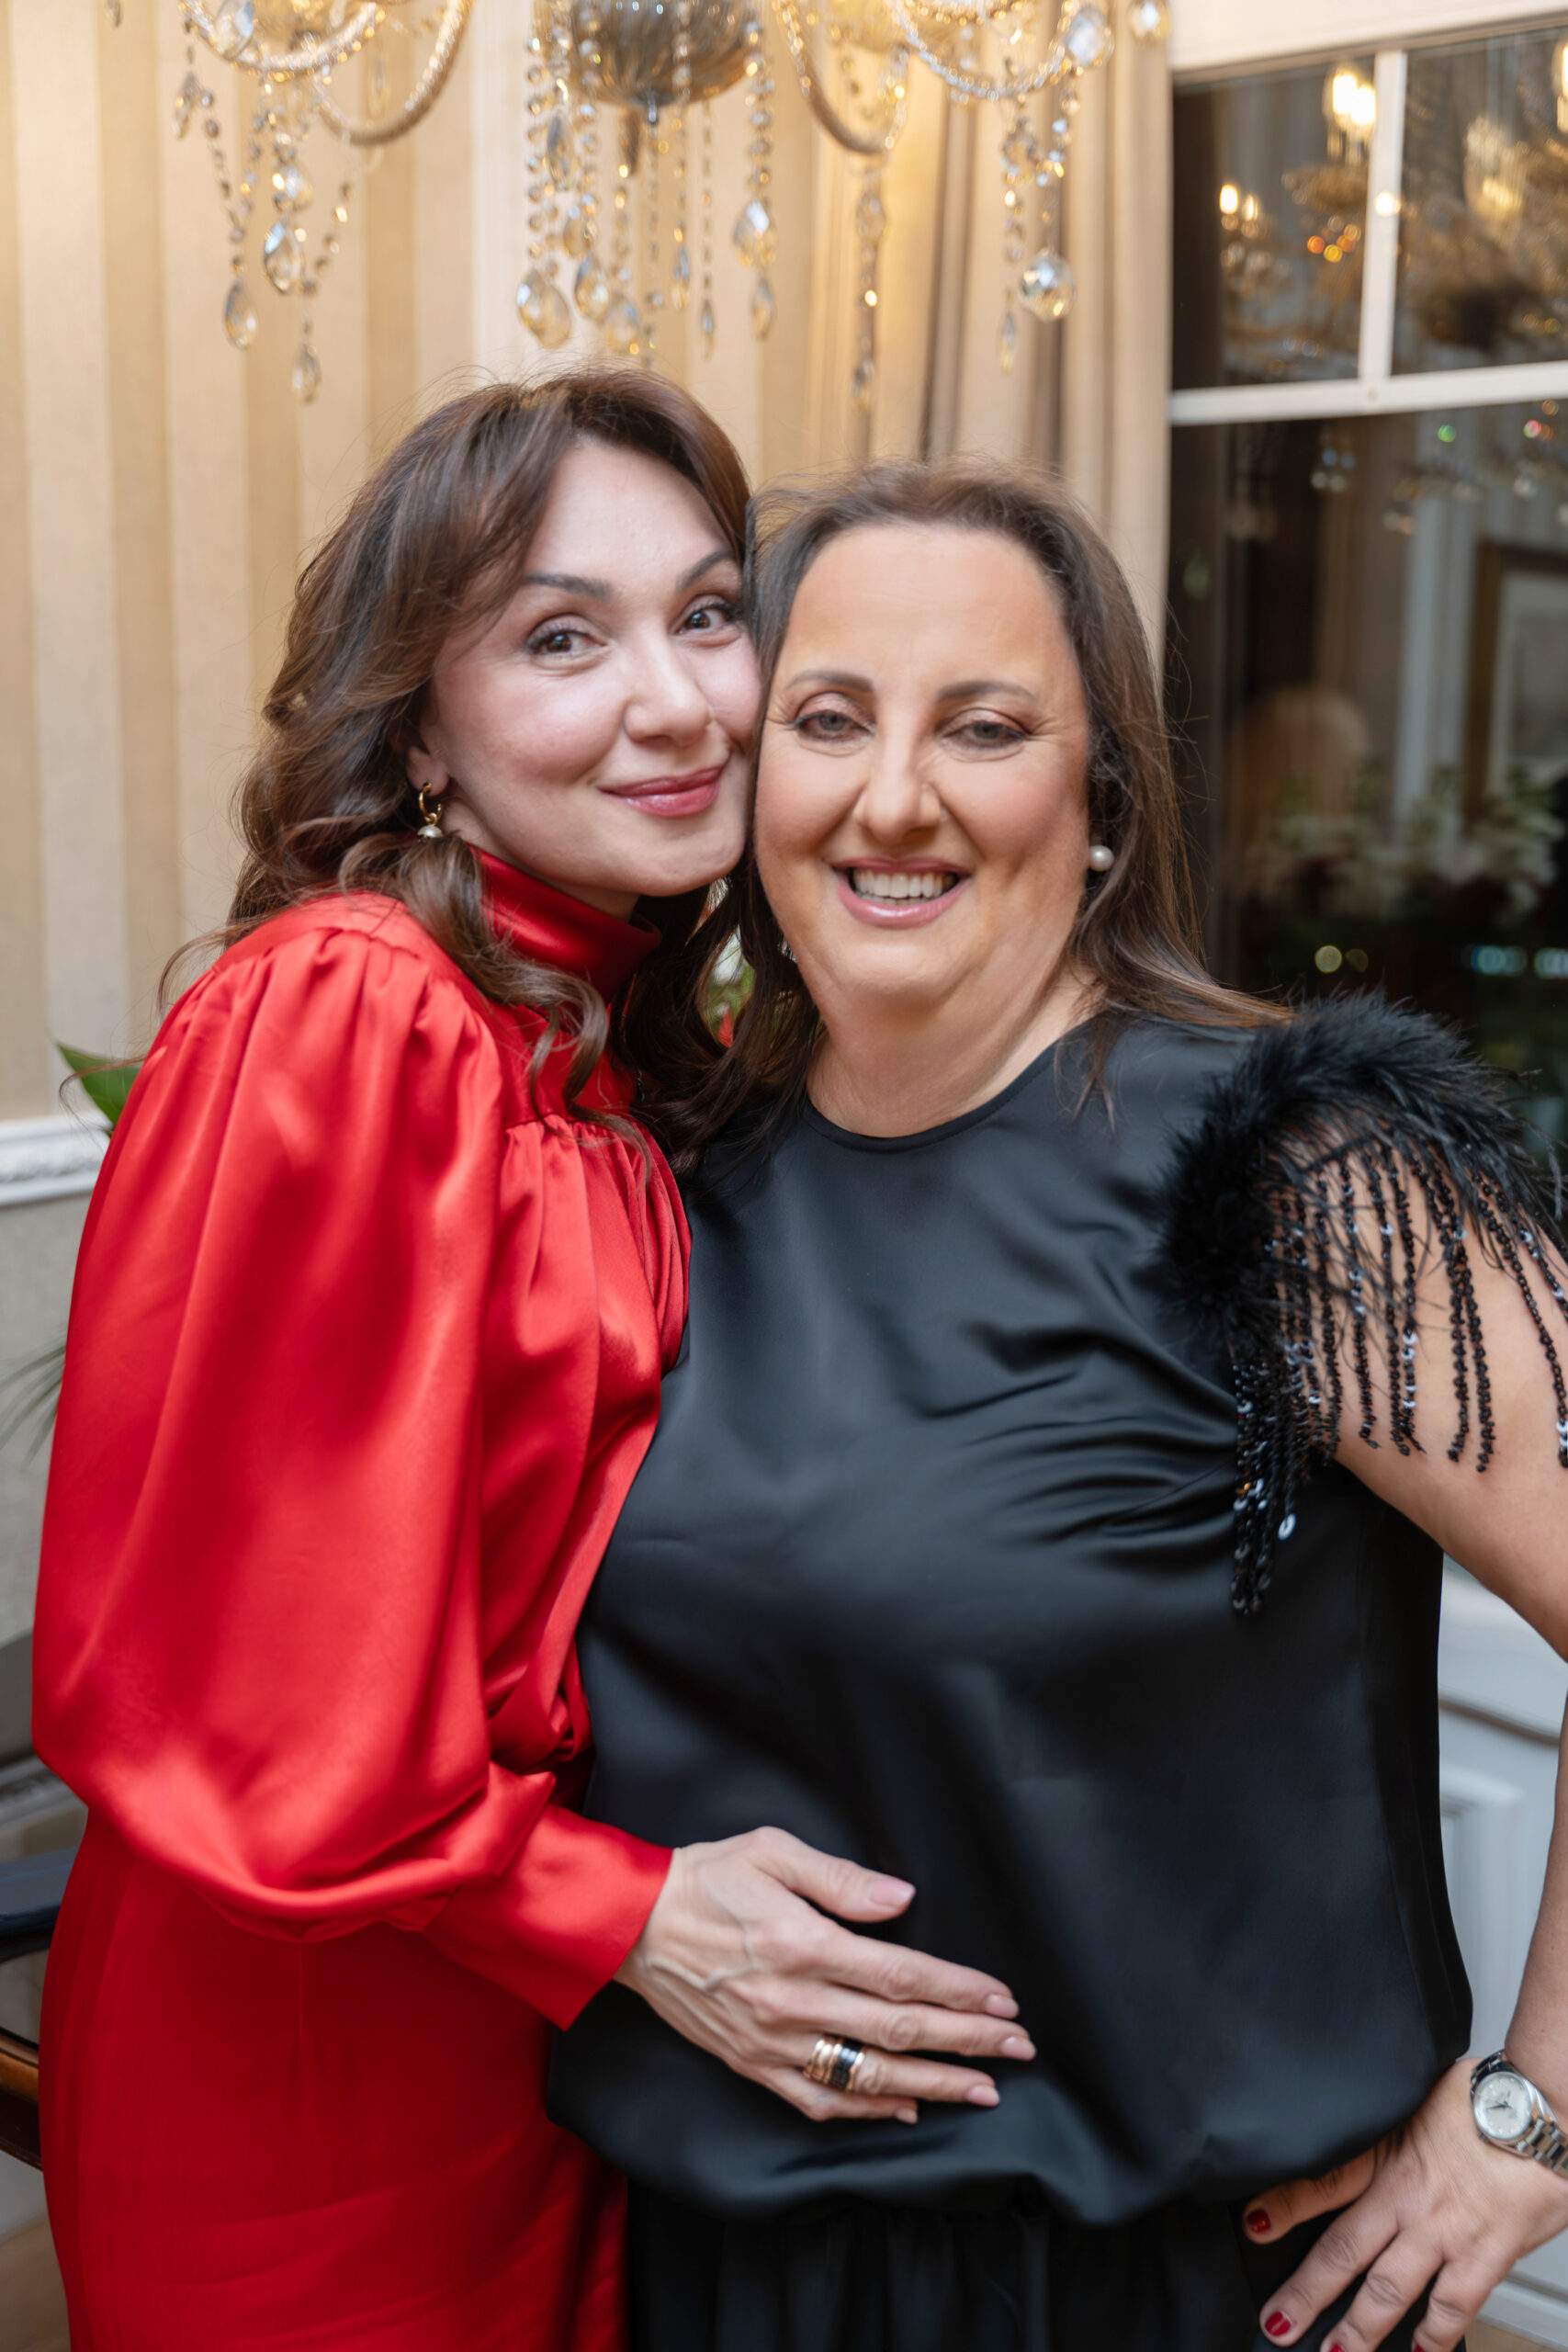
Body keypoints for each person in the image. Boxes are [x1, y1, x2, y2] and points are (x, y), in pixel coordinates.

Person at [30, 387, 1026, 2352]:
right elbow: (225, 1679)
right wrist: (622, 1912)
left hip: (553, 2034)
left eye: (710, 615)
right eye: (562, 638)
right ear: (421, 729)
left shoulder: (592, 1045)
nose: (677, 704)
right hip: (308, 2052)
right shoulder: (350, 1011)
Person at [552, 459, 1568, 2352]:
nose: (893, 797)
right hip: (727, 2268)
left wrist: (1533, 2116)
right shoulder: (659, 1174)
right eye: (827, 718)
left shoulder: (1293, 1169)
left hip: (1152, 2284)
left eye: (985, 726)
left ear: (1101, 801)